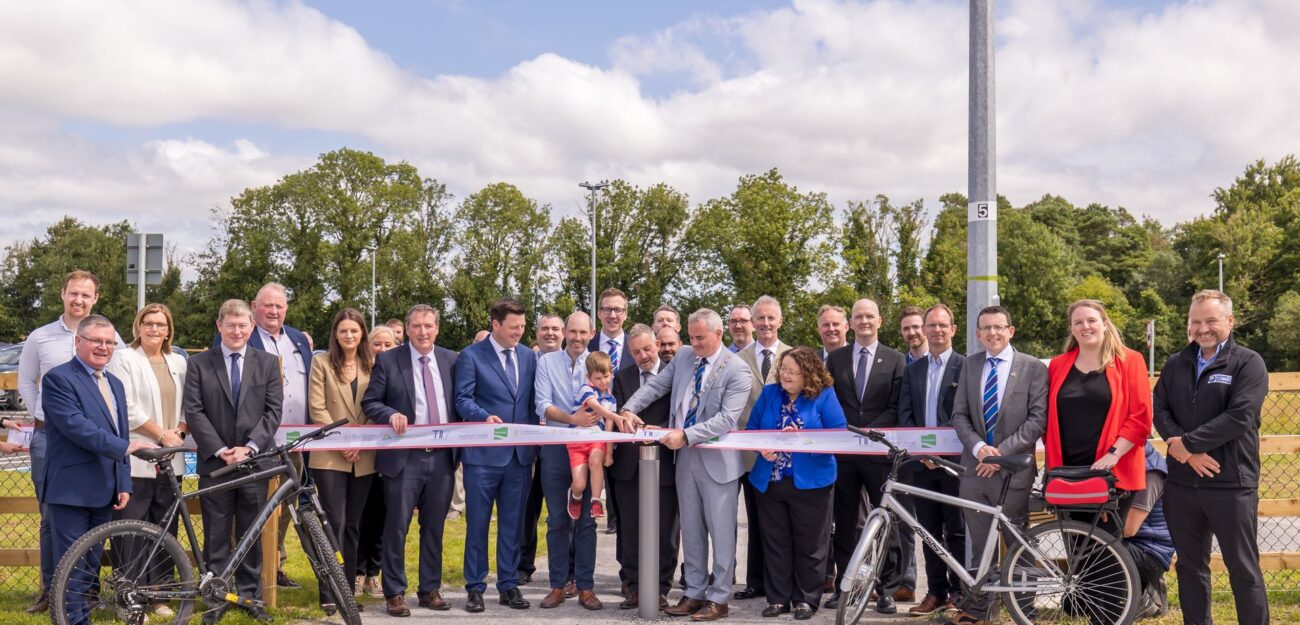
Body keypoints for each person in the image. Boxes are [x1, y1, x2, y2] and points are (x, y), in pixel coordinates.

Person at [618, 308, 753, 622]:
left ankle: (719, 598)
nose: (694, 343)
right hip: (685, 461)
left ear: (719, 335)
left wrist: (686, 434)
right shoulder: (684, 357)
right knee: (691, 530)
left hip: (718, 463)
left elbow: (727, 419)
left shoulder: (737, 369)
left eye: (700, 338)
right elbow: (655, 387)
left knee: (720, 534)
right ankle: (694, 592)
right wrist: (627, 407)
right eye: (691, 337)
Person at [1152, 289, 1268, 625]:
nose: (1203, 328)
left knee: (1243, 569)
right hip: (1183, 485)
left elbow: (1240, 416)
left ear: (1229, 322)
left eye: (1211, 321)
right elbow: (1159, 408)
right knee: (1189, 568)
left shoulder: (1248, 363)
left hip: (1231, 484)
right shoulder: (1176, 363)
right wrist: (1185, 453)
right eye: (1196, 321)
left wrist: (1186, 445)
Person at [16, 270, 122, 614]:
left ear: (95, 299)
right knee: (55, 515)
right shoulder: (40, 336)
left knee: (94, 514)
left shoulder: (107, 336)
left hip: (98, 439)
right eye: (73, 293)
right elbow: (27, 382)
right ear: (63, 294)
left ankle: (84, 594)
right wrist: (44, 415)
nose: (79, 300)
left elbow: (108, 393)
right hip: (51, 435)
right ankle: (54, 590)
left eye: (86, 295)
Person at [42, 314, 155, 625]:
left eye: (109, 342)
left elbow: (122, 432)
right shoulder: (58, 379)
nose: (103, 347)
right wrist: (123, 448)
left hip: (105, 489)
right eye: (96, 341)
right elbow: (75, 426)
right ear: (78, 342)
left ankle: (81, 620)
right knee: (70, 566)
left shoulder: (115, 383)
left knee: (90, 566)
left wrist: (123, 480)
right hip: (72, 490)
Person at [944, 305, 1047, 625]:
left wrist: (999, 454)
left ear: (1010, 330)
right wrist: (978, 449)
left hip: (1013, 471)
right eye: (985, 328)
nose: (992, 333)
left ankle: (1024, 610)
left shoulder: (1031, 367)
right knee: (980, 545)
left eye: (999, 327)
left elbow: (1036, 420)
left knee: (1019, 542)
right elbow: (958, 415)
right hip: (975, 470)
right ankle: (981, 612)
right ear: (977, 334)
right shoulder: (970, 366)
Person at [184, 299, 283, 623]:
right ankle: (216, 596)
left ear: (251, 327)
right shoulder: (200, 364)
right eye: (231, 325)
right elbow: (194, 411)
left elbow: (272, 411)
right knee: (216, 532)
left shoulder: (268, 363)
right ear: (220, 326)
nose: (237, 330)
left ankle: (250, 595)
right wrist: (219, 449)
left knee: (250, 533)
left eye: (242, 325)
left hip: (254, 463)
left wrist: (250, 447)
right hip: (216, 464)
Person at [210, 283, 313, 590]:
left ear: (286, 309)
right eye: (267, 305)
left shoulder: (298, 339)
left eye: (279, 306)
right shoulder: (239, 333)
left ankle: (275, 565)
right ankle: (236, 568)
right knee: (247, 508)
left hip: (294, 442)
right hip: (253, 443)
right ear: (254, 307)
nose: (273, 311)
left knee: (283, 506)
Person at [360, 305, 459, 616]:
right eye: (416, 325)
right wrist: (390, 415)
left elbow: (460, 402)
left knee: (434, 528)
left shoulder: (451, 360)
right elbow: (370, 401)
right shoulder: (389, 360)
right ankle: (394, 591)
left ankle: (430, 589)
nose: (422, 331)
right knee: (396, 528)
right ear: (407, 327)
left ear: (437, 328)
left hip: (442, 459)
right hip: (404, 459)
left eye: (428, 325)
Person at [747, 347, 846, 620]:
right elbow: (752, 430)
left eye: (792, 371)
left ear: (808, 374)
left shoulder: (824, 395)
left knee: (810, 544)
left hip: (813, 482)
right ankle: (778, 599)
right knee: (775, 542)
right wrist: (762, 447)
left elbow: (838, 434)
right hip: (770, 481)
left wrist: (803, 437)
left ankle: (806, 599)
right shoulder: (769, 393)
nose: (785, 375)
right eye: (783, 369)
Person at [455, 298, 539, 612]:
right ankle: (475, 588)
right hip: (482, 457)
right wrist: (483, 416)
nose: (519, 332)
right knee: (477, 524)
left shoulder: (530, 357)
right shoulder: (471, 356)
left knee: (512, 525)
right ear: (496, 324)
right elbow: (462, 399)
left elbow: (532, 402)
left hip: (519, 458)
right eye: (513, 327)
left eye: (522, 327)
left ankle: (508, 584)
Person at [105, 304, 188, 618]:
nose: (155, 329)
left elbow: (188, 404)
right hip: (139, 456)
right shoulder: (124, 358)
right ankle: (129, 594)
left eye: (162, 324)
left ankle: (161, 593)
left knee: (166, 526)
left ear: (169, 330)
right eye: (149, 323)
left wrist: (177, 432)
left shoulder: (178, 361)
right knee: (132, 528)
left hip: (170, 457)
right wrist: (160, 433)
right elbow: (123, 405)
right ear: (138, 326)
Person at [824, 298, 905, 615]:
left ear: (879, 321)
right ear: (851, 323)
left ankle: (887, 589)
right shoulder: (836, 358)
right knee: (844, 523)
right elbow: (830, 401)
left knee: (888, 521)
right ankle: (846, 586)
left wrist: (868, 431)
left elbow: (897, 406)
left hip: (879, 452)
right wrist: (849, 429)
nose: (864, 321)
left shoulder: (896, 359)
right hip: (844, 453)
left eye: (869, 316)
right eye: (858, 317)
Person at [896, 303, 966, 615]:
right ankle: (935, 592)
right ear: (924, 330)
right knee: (928, 531)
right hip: (921, 466)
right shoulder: (912, 370)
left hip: (954, 465)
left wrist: (941, 453)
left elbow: (965, 416)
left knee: (957, 531)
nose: (936, 330)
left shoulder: (966, 367)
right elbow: (905, 414)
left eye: (942, 325)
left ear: (953, 330)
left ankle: (959, 593)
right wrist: (923, 453)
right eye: (931, 325)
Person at [1045, 300, 1152, 499]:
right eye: (1078, 322)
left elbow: (1140, 417)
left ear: (1104, 323)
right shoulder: (1057, 365)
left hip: (1113, 469)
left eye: (1091, 320)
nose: (1085, 326)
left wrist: (1114, 454)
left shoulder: (1130, 360)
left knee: (1103, 532)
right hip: (1066, 473)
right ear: (1071, 329)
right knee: (1071, 531)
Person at [307, 309, 376, 614]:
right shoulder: (320, 362)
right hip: (330, 454)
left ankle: (347, 590)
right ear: (335, 334)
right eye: (343, 331)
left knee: (353, 525)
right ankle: (329, 590)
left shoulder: (373, 364)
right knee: (333, 522)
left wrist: (360, 441)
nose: (349, 336)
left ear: (362, 334)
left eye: (355, 331)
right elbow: (317, 408)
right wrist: (345, 439)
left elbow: (378, 405)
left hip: (364, 455)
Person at [610, 323, 679, 610]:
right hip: (628, 467)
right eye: (636, 351)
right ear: (630, 352)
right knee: (630, 529)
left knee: (665, 531)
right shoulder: (621, 377)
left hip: (664, 465)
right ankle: (634, 586)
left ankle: (661, 588)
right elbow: (612, 414)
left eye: (648, 349)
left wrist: (661, 430)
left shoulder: (674, 376)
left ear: (658, 345)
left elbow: (682, 415)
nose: (643, 356)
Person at [533, 311, 599, 609]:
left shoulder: (597, 361)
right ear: (565, 333)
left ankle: (586, 587)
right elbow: (542, 404)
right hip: (557, 448)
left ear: (591, 332)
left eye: (582, 332)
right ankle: (557, 586)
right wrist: (572, 418)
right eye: (572, 332)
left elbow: (609, 401)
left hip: (590, 450)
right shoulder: (547, 362)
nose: (576, 337)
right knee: (558, 519)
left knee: (587, 521)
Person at [735, 295, 791, 602]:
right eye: (761, 318)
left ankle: (779, 582)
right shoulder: (738, 358)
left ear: (780, 321)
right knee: (755, 520)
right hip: (748, 455)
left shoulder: (792, 355)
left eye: (771, 318)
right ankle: (755, 581)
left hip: (784, 456)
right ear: (753, 323)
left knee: (780, 521)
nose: (766, 323)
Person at [519, 312, 566, 585]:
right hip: (528, 446)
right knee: (526, 509)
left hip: (559, 448)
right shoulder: (526, 361)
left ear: (563, 333)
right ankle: (523, 566)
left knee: (562, 512)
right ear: (535, 333)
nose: (550, 333)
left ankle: (566, 572)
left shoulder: (571, 363)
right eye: (544, 328)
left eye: (555, 329)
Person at [355, 323, 398, 597]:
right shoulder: (356, 372)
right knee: (360, 517)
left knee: (382, 518)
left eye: (388, 345)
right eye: (377, 344)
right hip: (359, 457)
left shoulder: (398, 373)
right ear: (368, 346)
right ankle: (358, 573)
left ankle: (374, 573)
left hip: (389, 458)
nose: (382, 349)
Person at [1123, 442, 1174, 619]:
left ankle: (1150, 598)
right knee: (1073, 605)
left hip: (1150, 553)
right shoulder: (1127, 463)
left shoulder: (1150, 473)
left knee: (1096, 545)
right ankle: (1144, 588)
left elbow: (1129, 529)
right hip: (1133, 544)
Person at [566, 352, 618, 519]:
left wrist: (609, 452)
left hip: (596, 439)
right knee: (580, 484)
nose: (603, 381)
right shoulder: (586, 390)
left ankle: (596, 501)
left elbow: (609, 426)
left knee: (596, 461)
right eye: (598, 378)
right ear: (589, 377)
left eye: (606, 376)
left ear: (611, 373)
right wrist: (613, 415)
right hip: (576, 441)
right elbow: (594, 406)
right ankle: (575, 495)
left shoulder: (611, 399)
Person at [590, 288, 632, 370]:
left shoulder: (636, 347)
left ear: (625, 314)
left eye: (618, 310)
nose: (612, 315)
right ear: (599, 313)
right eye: (607, 309)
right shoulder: (587, 346)